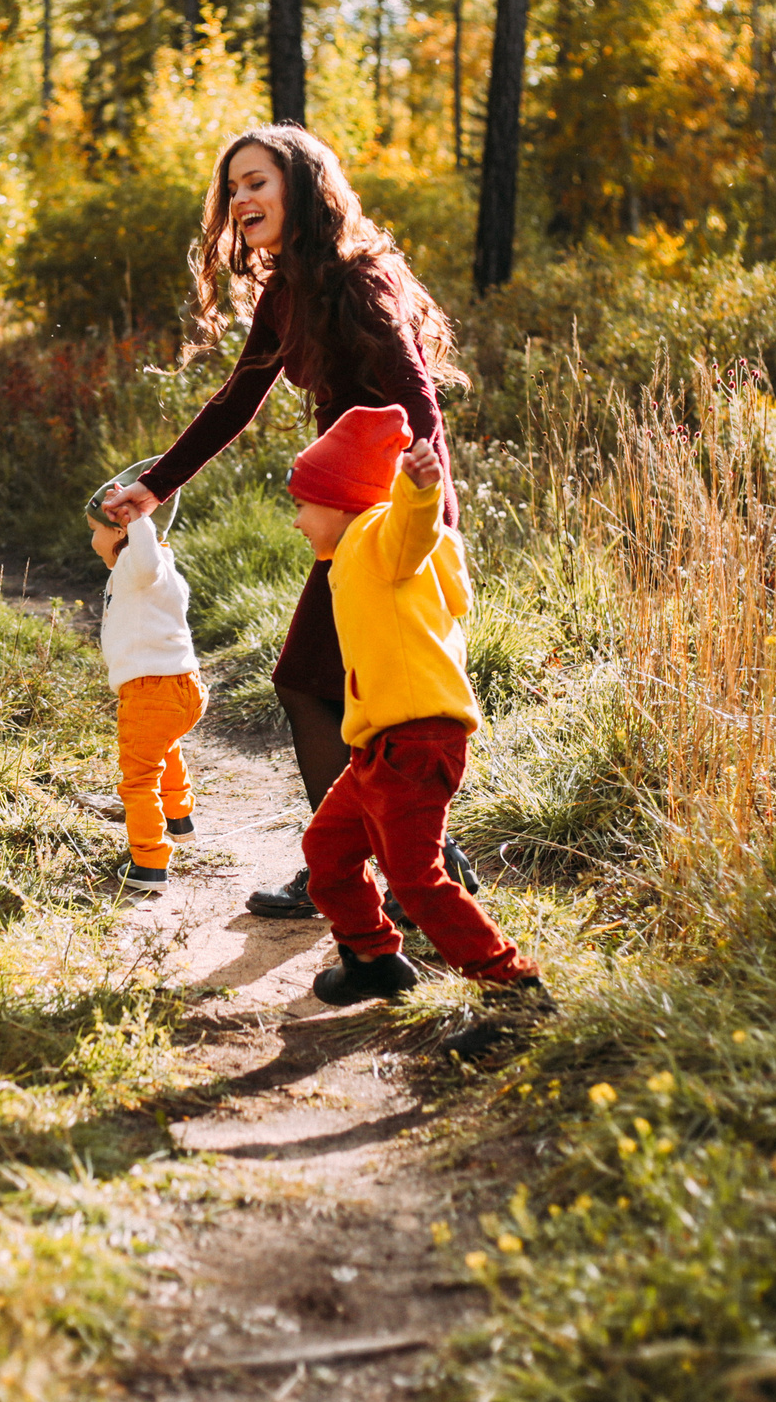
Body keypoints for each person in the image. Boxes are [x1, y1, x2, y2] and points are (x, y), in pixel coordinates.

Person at [100, 124, 483, 920]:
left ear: (302, 188)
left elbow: (417, 398)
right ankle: (396, 860)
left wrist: (429, 514)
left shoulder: (359, 280)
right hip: (354, 516)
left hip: (394, 516)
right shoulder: (286, 293)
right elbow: (236, 400)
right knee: (336, 686)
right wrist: (154, 486)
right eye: (233, 187)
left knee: (316, 681)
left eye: (257, 182)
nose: (241, 199)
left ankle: (361, 867)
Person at [280, 405, 550, 1059]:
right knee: (327, 849)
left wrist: (419, 490)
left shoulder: (376, 535)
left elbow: (409, 529)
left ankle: (515, 989)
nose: (297, 520)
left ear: (340, 501)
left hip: (414, 742)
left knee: (416, 878)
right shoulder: (361, 551)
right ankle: (373, 958)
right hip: (381, 745)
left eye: (303, 505)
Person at [85, 468, 204, 890]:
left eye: (95, 531)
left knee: (138, 778)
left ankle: (150, 864)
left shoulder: (140, 564)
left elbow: (146, 557)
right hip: (185, 688)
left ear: (120, 532)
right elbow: (152, 558)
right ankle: (179, 816)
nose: (92, 541)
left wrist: (138, 521)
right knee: (163, 746)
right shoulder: (162, 568)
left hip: (149, 691)